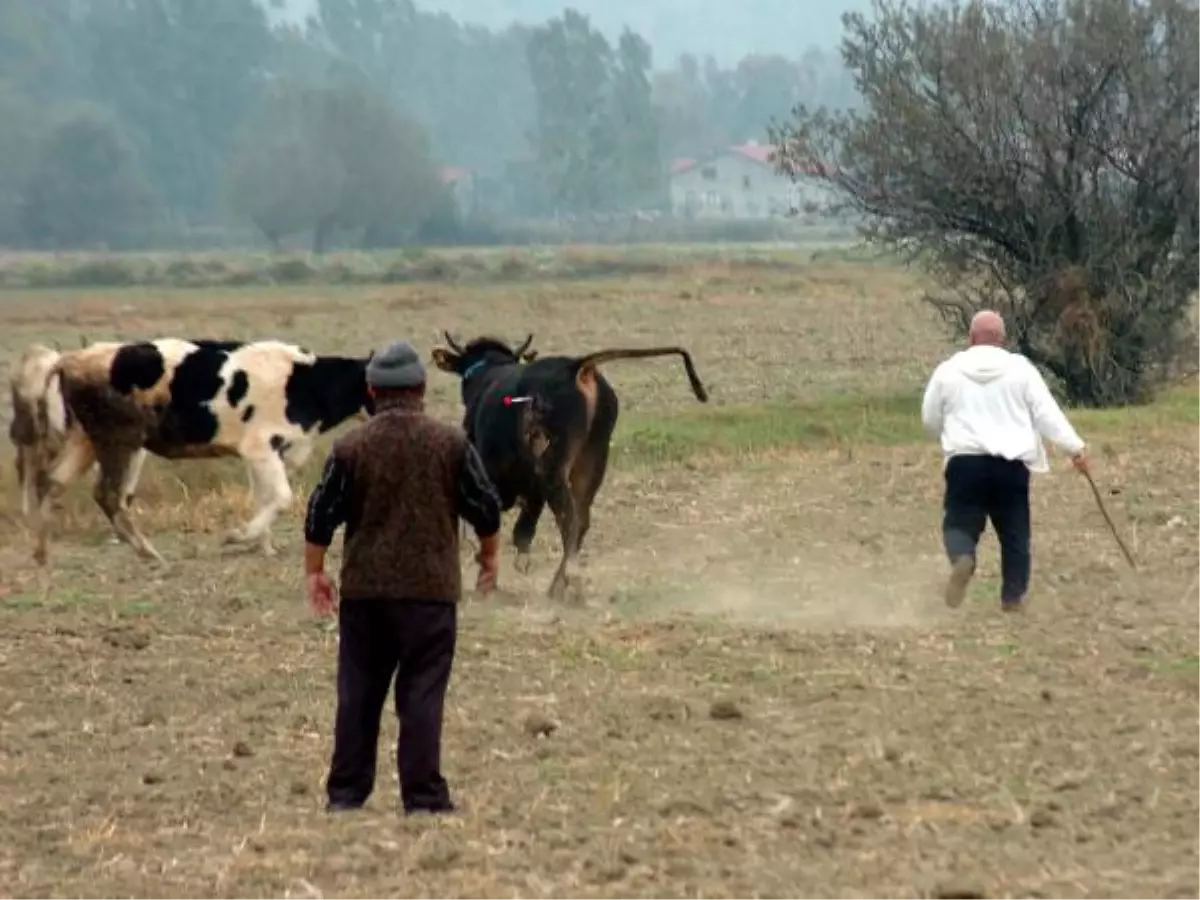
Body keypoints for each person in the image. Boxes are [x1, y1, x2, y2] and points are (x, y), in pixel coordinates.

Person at [302, 339, 503, 815]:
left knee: (357, 697)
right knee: (421, 698)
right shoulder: (450, 442)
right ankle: (425, 799)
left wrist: (315, 572)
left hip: (365, 595)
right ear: (422, 388)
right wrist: (489, 558)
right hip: (430, 595)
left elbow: (320, 514)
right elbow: (486, 508)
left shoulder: (350, 446)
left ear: (372, 391)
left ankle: (346, 796)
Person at [921, 310, 1089, 612]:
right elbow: (1046, 414)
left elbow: (929, 418)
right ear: (1002, 340)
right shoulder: (1020, 370)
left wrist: (948, 431)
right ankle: (1012, 597)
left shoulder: (948, 371)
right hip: (1010, 468)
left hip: (965, 464)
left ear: (971, 338)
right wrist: (1074, 449)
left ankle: (963, 558)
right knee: (1014, 533)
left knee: (960, 522)